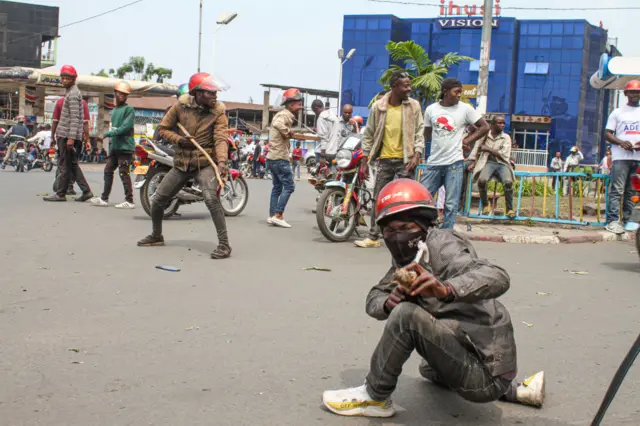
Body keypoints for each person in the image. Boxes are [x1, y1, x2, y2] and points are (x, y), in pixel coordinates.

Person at [322, 179, 545, 418]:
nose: (397, 237)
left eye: (406, 228)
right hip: (484, 362)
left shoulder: (443, 247)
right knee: (428, 368)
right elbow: (374, 297)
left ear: (423, 226)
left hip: (487, 367)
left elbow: (498, 276)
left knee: (406, 316)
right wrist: (389, 302)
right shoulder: (409, 260)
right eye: (390, 230)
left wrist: (446, 289)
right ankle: (515, 391)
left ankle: (375, 396)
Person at [137, 72, 231, 259]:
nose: (215, 96)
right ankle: (156, 235)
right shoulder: (180, 106)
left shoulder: (218, 111)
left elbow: (221, 138)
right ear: (197, 93)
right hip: (181, 163)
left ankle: (224, 245)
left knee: (211, 199)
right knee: (157, 200)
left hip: (204, 163)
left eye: (215, 92)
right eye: (210, 92)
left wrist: (222, 162)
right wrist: (180, 140)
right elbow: (163, 129)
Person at [354, 71, 425, 248]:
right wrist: (364, 159)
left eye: (409, 84)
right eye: (405, 85)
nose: (409, 88)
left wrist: (417, 154)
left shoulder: (414, 106)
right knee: (379, 198)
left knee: (404, 201)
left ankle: (405, 237)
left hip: (406, 160)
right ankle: (373, 237)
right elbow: (369, 134)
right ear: (394, 86)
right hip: (384, 160)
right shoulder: (379, 107)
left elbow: (419, 132)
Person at [421, 78, 490, 229]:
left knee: (451, 204)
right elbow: (426, 134)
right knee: (422, 199)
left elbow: (484, 127)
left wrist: (467, 141)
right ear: (445, 92)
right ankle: (422, 229)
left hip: (454, 164)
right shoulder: (431, 109)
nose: (459, 95)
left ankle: (447, 235)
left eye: (461, 92)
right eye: (456, 92)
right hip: (433, 163)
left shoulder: (465, 109)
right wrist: (417, 151)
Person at [43, 65, 93, 203]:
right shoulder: (71, 93)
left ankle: (60, 194)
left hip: (67, 136)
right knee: (71, 164)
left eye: (67, 78)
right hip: (68, 135)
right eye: (63, 78)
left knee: (65, 165)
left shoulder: (73, 94)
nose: (64, 80)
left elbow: (75, 118)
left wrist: (70, 138)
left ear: (74, 79)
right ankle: (86, 191)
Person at [90, 81, 136, 209]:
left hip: (125, 147)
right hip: (115, 147)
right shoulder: (115, 110)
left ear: (127, 96)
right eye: (119, 93)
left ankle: (129, 200)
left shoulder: (129, 109)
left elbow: (125, 128)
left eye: (124, 94)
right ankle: (104, 198)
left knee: (123, 173)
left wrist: (108, 134)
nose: (121, 96)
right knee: (108, 170)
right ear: (115, 93)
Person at [604, 79, 640, 234]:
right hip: (620, 158)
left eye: (637, 92)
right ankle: (612, 221)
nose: (635, 95)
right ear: (626, 94)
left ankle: (628, 220)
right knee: (617, 190)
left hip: (637, 158)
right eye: (632, 92)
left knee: (632, 191)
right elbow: (607, 134)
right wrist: (621, 143)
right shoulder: (617, 112)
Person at [266, 88, 301, 228]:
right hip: (280, 157)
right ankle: (278, 214)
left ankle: (271, 215)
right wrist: (288, 132)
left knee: (277, 187)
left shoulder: (283, 114)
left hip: (272, 157)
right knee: (289, 186)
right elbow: (277, 124)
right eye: (298, 104)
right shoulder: (285, 115)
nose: (300, 107)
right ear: (291, 105)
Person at [468, 116, 516, 218]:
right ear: (492, 125)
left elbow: (504, 155)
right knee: (482, 181)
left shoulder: (506, 137)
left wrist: (488, 149)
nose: (502, 125)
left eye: (503, 123)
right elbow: (477, 148)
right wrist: (472, 162)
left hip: (502, 164)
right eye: (499, 123)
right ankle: (486, 205)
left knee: (508, 182)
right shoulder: (485, 136)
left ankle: (510, 208)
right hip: (488, 163)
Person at [52, 94, 91, 195]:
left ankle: (62, 189)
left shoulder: (61, 102)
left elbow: (55, 121)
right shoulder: (83, 103)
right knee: (72, 163)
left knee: (65, 163)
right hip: (78, 138)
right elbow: (85, 124)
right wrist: (87, 140)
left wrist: (52, 136)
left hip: (64, 137)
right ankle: (68, 187)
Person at [312, 99, 340, 170]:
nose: (316, 114)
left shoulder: (321, 118)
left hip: (323, 152)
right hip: (334, 151)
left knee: (321, 177)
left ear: (316, 108)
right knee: (332, 174)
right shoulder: (333, 116)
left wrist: (322, 156)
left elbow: (324, 138)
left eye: (315, 112)